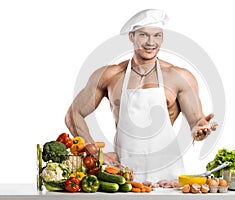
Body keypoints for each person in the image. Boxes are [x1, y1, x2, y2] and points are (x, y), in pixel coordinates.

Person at [65, 9, 217, 182]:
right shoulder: (110, 76)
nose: (151, 42)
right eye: (144, 35)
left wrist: (200, 131)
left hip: (168, 175)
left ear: (162, 37)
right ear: (131, 36)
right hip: (123, 173)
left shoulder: (179, 76)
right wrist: (94, 151)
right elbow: (73, 114)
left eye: (157, 35)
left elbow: (197, 123)